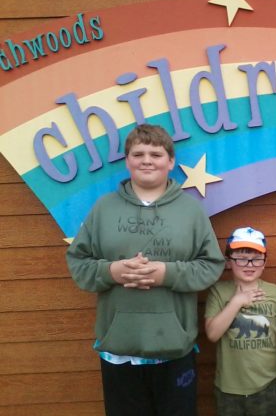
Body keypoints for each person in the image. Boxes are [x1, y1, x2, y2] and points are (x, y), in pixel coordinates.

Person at [66, 124, 226, 416]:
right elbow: (78, 262)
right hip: (118, 350)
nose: (147, 160)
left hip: (174, 348)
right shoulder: (104, 209)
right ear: (127, 161)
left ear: (171, 162)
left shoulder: (191, 211)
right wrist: (111, 272)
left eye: (156, 153)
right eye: (138, 153)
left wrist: (166, 274)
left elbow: (211, 265)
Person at [204, 226, 276, 416]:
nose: (249, 264)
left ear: (264, 262)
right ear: (229, 261)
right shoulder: (219, 292)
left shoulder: (275, 293)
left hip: (268, 383)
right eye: (241, 258)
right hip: (229, 387)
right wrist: (236, 302)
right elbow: (212, 333)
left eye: (256, 259)